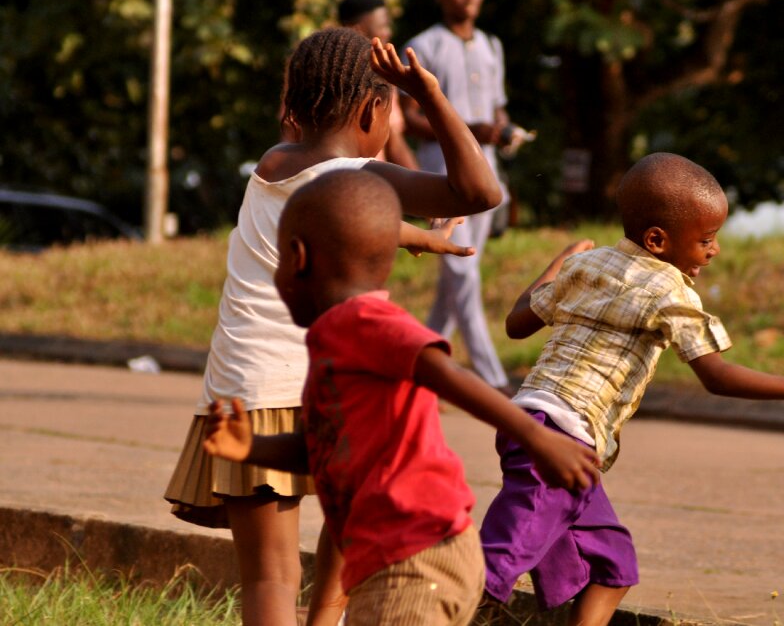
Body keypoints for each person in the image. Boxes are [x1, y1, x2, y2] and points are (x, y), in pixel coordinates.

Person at [164, 28, 504, 626]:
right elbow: (479, 190)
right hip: (330, 378)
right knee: (353, 526)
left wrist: (415, 235)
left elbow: (331, 214)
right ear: (376, 108)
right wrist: (429, 93)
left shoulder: (277, 162)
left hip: (249, 381)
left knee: (269, 577)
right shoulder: (356, 174)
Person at [479, 152, 784, 625]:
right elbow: (716, 376)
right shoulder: (671, 292)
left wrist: (561, 262)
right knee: (492, 568)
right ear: (658, 240)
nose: (714, 250)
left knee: (613, 567)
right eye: (707, 239)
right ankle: (418, 606)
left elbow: (517, 323)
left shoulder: (588, 265)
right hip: (561, 438)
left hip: (535, 425)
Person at [202, 168, 601, 626]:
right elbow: (324, 449)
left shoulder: (362, 321)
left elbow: (442, 370)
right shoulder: (336, 339)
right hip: (398, 562)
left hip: (414, 560)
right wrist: (251, 447)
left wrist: (535, 436)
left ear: (297, 257)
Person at [402, 0, 527, 396]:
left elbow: (497, 109)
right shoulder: (423, 45)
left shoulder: (492, 45)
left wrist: (504, 132)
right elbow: (410, 118)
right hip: (443, 175)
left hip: (487, 177)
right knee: (463, 273)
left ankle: (413, 370)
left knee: (454, 286)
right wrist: (473, 130)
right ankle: (493, 381)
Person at [338, 0, 418, 169]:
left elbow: (394, 139)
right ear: (355, 30)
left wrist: (419, 183)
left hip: (373, 182)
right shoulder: (317, 73)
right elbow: (292, 133)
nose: (387, 33)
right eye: (382, 27)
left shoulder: (384, 75)